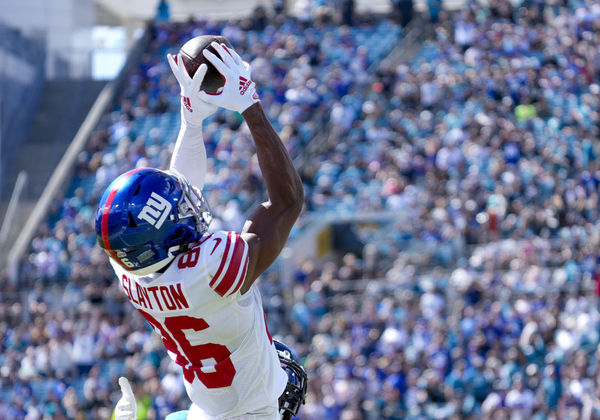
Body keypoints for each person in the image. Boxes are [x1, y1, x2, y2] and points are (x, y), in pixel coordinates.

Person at [97, 41, 305, 419]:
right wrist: (250, 106)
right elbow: (286, 203)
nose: (187, 203)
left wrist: (191, 123)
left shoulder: (128, 265)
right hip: (250, 411)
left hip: (203, 409)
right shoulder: (211, 268)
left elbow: (180, 185)